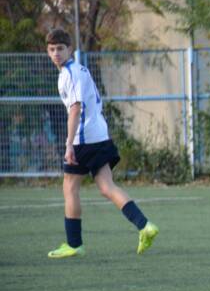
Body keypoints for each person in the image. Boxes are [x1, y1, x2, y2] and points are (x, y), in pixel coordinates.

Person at [45, 29, 159, 259]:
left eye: (60, 48)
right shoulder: (79, 70)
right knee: (107, 187)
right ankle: (145, 225)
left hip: (83, 139)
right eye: (52, 49)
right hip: (99, 135)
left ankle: (74, 244)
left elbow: (75, 109)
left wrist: (69, 144)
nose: (56, 53)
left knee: (70, 188)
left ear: (70, 49)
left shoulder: (70, 73)